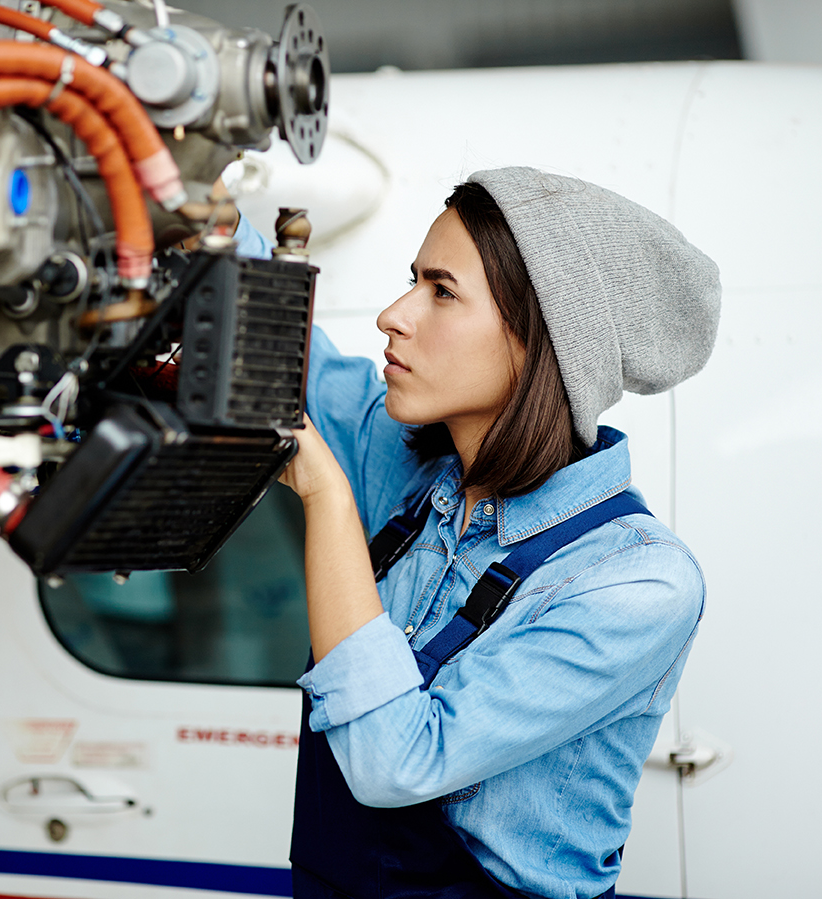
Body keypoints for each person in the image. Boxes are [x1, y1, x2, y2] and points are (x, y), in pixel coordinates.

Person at [275, 167, 721, 899]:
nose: (394, 314)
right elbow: (276, 345)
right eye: (412, 280)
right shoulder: (410, 466)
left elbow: (398, 761)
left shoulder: (638, 582)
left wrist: (326, 497)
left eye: (442, 292)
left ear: (543, 343)